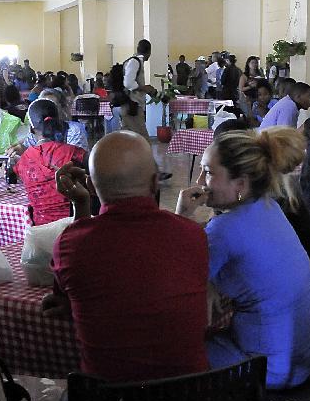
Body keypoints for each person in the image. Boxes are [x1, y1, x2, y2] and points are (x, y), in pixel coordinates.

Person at [45, 131, 209, 382]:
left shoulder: (70, 245)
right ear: (155, 183)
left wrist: (81, 207)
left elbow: (64, 298)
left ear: (90, 186)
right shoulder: (194, 236)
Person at [176, 127, 310, 390]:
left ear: (241, 184)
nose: (199, 181)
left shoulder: (224, 230)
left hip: (270, 370)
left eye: (208, 172)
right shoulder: (270, 207)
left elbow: (171, 287)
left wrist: (181, 218)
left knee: (173, 355)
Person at [13, 99, 88, 226]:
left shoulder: (23, 160)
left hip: (40, 229)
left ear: (31, 130)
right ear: (59, 123)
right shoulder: (76, 154)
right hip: (74, 225)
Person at [121, 39, 156, 139]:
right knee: (143, 140)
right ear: (149, 52)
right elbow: (128, 83)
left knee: (127, 140)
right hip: (132, 105)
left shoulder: (134, 61)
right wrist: (144, 88)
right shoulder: (135, 62)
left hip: (129, 106)